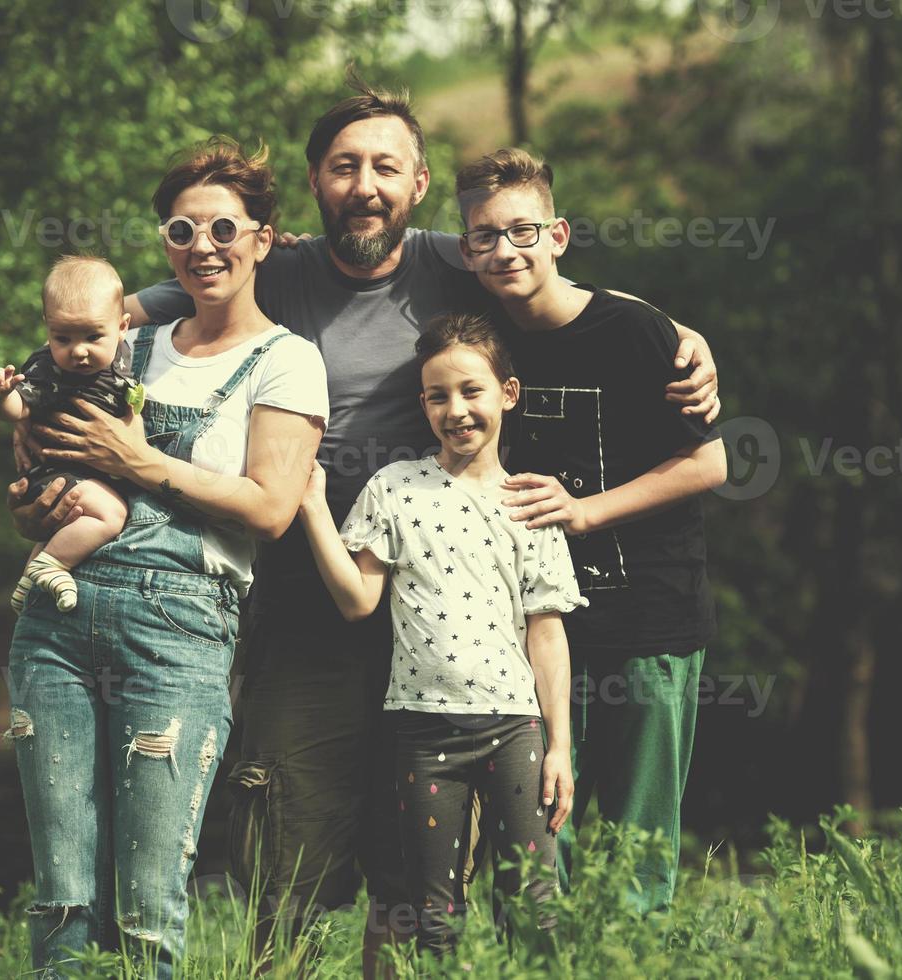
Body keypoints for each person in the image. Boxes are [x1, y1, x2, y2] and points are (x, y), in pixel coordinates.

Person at [99, 74, 720, 976]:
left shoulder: (453, 259)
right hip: (308, 600)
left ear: (417, 183)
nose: (366, 185)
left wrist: (680, 335)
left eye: (385, 166)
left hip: (442, 616)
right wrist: (124, 307)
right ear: (316, 182)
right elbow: (199, 269)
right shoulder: (282, 265)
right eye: (345, 167)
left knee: (424, 867)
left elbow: (545, 266)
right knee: (293, 841)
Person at [3, 136, 327, 979]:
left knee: (149, 901)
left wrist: (142, 464)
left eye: (224, 227)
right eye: (181, 231)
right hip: (60, 613)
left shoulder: (287, 362)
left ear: (262, 237)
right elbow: (47, 456)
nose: (203, 247)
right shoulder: (120, 343)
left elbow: (271, 506)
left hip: (181, 627)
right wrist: (35, 499)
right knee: (63, 890)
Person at [456, 147, 727, 913]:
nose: (504, 249)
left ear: (559, 234)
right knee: (539, 845)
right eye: (484, 236)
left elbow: (708, 465)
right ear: (465, 246)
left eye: (523, 231)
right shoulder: (480, 330)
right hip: (534, 631)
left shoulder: (635, 331)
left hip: (649, 619)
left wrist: (585, 511)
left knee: (637, 854)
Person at [298, 312, 582, 955]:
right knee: (433, 915)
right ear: (422, 403)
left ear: (508, 393)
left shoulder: (530, 500)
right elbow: (357, 601)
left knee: (534, 904)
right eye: (437, 395)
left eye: (471, 391)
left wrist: (560, 746)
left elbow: (548, 634)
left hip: (516, 728)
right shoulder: (394, 488)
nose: (455, 410)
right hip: (423, 732)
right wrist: (314, 508)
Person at [0, 255, 139, 614]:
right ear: (47, 328)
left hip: (82, 472)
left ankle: (27, 588)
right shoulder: (51, 371)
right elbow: (18, 409)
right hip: (54, 471)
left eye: (92, 337)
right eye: (62, 337)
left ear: (122, 326)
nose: (78, 351)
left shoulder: (121, 355)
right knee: (110, 515)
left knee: (72, 521)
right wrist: (0, 397)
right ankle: (51, 565)